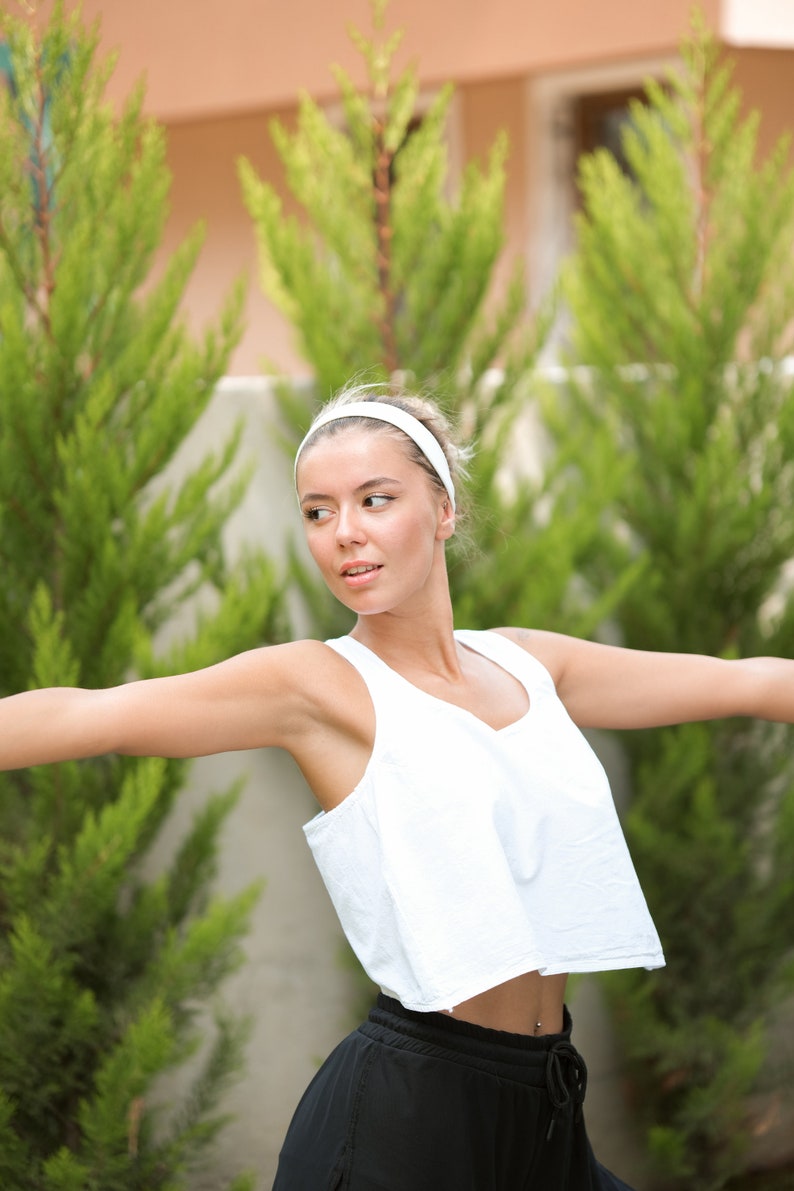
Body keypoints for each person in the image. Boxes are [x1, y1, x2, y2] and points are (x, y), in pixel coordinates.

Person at [2, 382, 793, 1191]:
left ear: (443, 510)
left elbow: (751, 682)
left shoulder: (529, 664)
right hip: (408, 1118)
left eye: (374, 499)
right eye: (317, 511)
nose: (344, 532)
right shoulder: (318, 685)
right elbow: (90, 715)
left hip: (546, 1101)